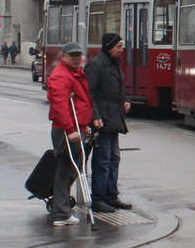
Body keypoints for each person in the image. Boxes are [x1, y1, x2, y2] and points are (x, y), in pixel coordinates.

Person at [46, 41, 94, 227]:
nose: (76, 59)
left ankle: (62, 210)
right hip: (67, 130)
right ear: (64, 56)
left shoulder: (74, 73)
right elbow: (60, 105)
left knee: (69, 170)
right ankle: (60, 212)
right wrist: (70, 130)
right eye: (72, 55)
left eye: (78, 55)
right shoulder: (61, 76)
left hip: (77, 127)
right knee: (66, 170)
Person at [85, 32, 131, 213]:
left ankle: (111, 195)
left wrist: (125, 100)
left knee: (113, 158)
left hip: (113, 117)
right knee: (102, 160)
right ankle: (99, 198)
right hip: (102, 120)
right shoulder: (96, 65)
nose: (121, 50)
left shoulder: (113, 64)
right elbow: (89, 93)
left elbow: (119, 87)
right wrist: (95, 116)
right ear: (109, 46)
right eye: (118, 47)